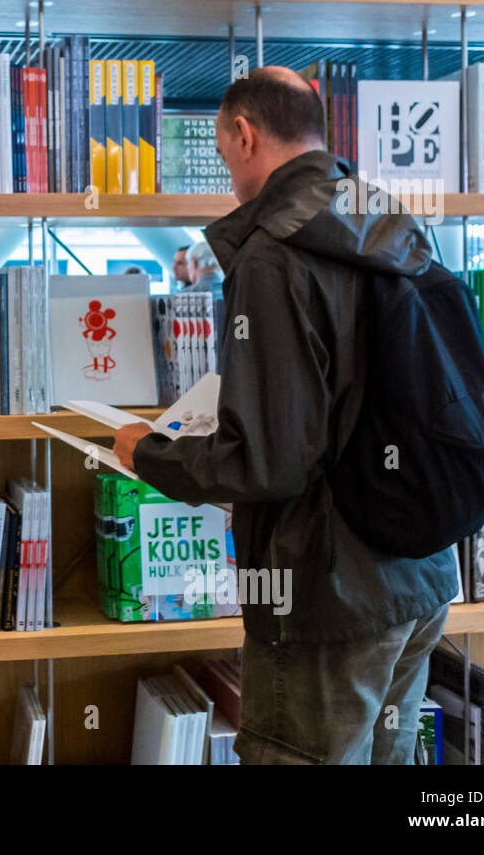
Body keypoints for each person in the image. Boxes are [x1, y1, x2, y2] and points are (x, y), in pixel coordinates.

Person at [113, 67, 457, 765]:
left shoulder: (272, 257)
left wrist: (144, 453)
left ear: (245, 135)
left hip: (327, 597)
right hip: (422, 572)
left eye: (221, 150)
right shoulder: (388, 217)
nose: (227, 173)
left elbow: (269, 458)